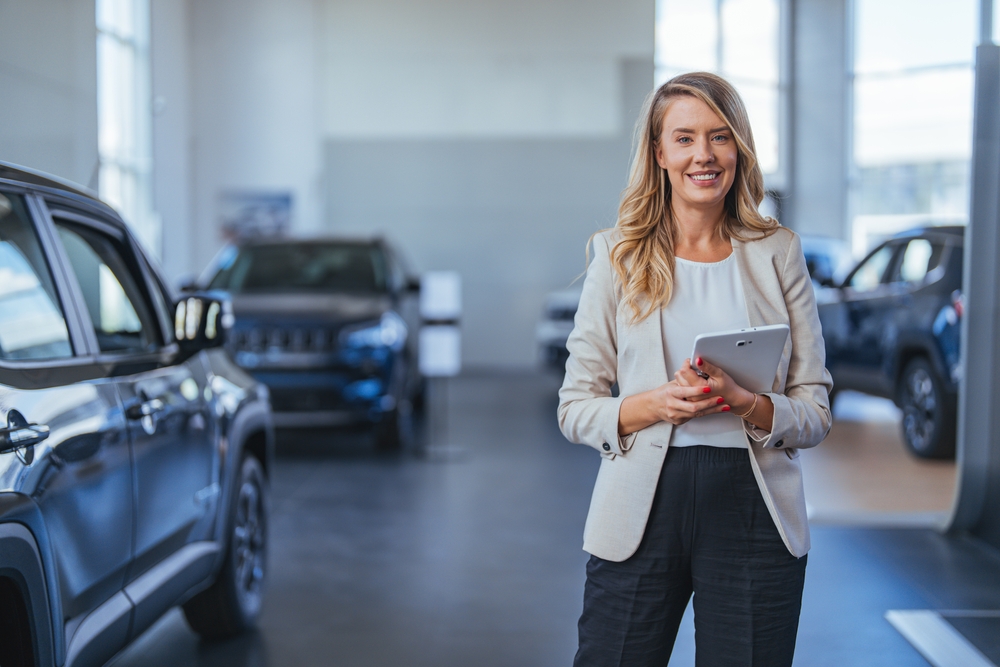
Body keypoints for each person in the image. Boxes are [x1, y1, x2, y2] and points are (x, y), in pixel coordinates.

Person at [558, 71, 833, 667]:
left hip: (754, 507)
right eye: (684, 138)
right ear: (659, 153)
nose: (702, 155)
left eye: (719, 136)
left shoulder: (777, 251)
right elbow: (575, 407)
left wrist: (749, 403)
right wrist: (653, 404)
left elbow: (814, 410)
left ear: (739, 148)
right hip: (641, 503)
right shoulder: (618, 253)